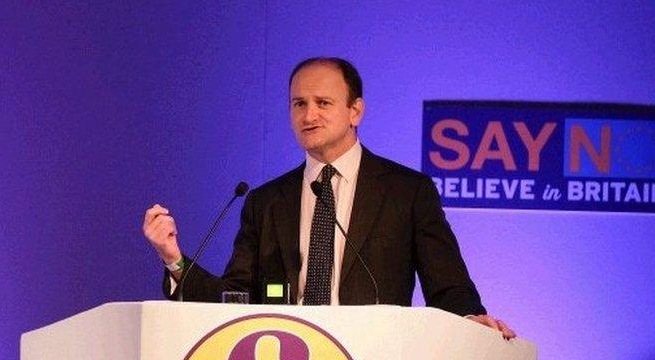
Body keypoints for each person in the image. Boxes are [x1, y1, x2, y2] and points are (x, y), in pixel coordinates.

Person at [142, 57, 515, 339]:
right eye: (298, 104)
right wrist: (175, 261)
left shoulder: (407, 192)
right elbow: (236, 298)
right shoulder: (266, 202)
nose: (309, 115)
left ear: (356, 110)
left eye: (323, 102)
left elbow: (448, 285)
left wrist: (470, 323)